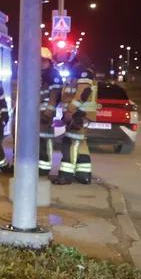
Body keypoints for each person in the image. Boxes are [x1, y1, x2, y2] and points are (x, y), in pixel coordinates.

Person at [53, 54, 98, 185]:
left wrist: (70, 111)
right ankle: (84, 175)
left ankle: (65, 176)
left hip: (79, 115)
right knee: (80, 143)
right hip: (79, 114)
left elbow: (82, 95)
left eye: (64, 64)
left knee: (69, 142)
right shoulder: (78, 74)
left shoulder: (84, 74)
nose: (64, 66)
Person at [39, 48, 63, 177]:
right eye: (40, 60)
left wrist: (48, 113)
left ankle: (44, 167)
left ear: (50, 61)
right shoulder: (36, 74)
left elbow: (55, 96)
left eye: (44, 61)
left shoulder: (53, 76)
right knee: (35, 141)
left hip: (44, 115)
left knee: (45, 140)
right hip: (34, 115)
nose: (42, 63)